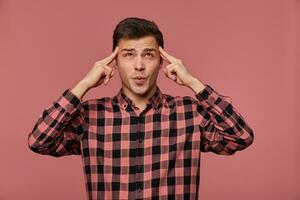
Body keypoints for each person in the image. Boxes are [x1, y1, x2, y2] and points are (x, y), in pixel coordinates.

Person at [27, 17, 254, 200]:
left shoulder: (189, 114)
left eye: (148, 54)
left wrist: (193, 82)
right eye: (128, 55)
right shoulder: (90, 115)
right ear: (114, 62)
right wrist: (84, 84)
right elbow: (39, 141)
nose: (139, 65)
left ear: (161, 61)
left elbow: (241, 136)